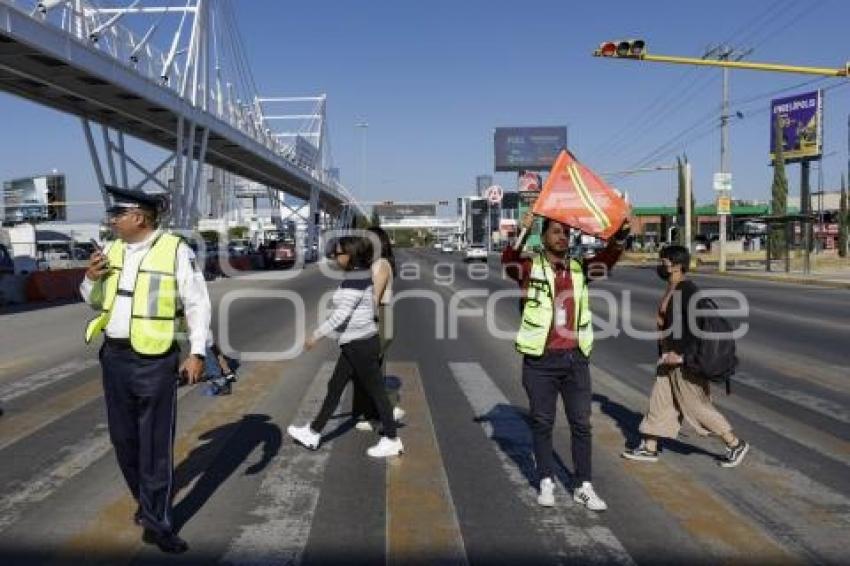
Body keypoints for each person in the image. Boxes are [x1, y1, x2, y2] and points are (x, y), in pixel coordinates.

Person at [80, 185, 211, 554]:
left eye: (117, 214)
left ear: (138, 217)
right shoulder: (110, 251)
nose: (112, 220)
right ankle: (147, 502)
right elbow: (90, 300)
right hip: (115, 357)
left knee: (154, 445)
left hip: (155, 360)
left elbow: (197, 304)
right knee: (124, 441)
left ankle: (158, 521)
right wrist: (90, 277)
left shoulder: (175, 251)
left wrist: (197, 352)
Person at [502, 211, 629, 511]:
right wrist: (522, 231)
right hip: (540, 359)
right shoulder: (529, 267)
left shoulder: (579, 268)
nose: (562, 237)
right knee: (542, 422)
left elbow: (608, 258)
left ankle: (583, 484)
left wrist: (620, 234)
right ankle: (545, 478)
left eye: (566, 233)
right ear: (544, 236)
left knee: (581, 424)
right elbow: (508, 260)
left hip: (575, 359)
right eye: (556, 232)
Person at [621, 245, 749, 467]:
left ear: (677, 265)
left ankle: (735, 444)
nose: (660, 264)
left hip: (682, 361)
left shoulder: (686, 291)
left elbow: (696, 328)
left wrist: (681, 357)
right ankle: (649, 447)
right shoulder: (673, 287)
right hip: (668, 358)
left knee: (695, 406)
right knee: (660, 403)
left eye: (664, 261)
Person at [287, 235, 403, 458]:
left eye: (338, 253)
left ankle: (392, 438)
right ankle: (314, 432)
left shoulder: (355, 280)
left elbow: (340, 316)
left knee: (377, 392)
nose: (334, 257)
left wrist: (316, 336)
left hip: (360, 344)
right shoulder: (358, 276)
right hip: (355, 343)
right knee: (335, 386)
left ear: (350, 255)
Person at [353, 226, 405, 432]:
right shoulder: (375, 264)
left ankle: (389, 408)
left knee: (367, 371)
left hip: (379, 320)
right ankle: (374, 415)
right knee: (369, 370)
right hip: (378, 319)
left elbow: (372, 298)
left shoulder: (381, 265)